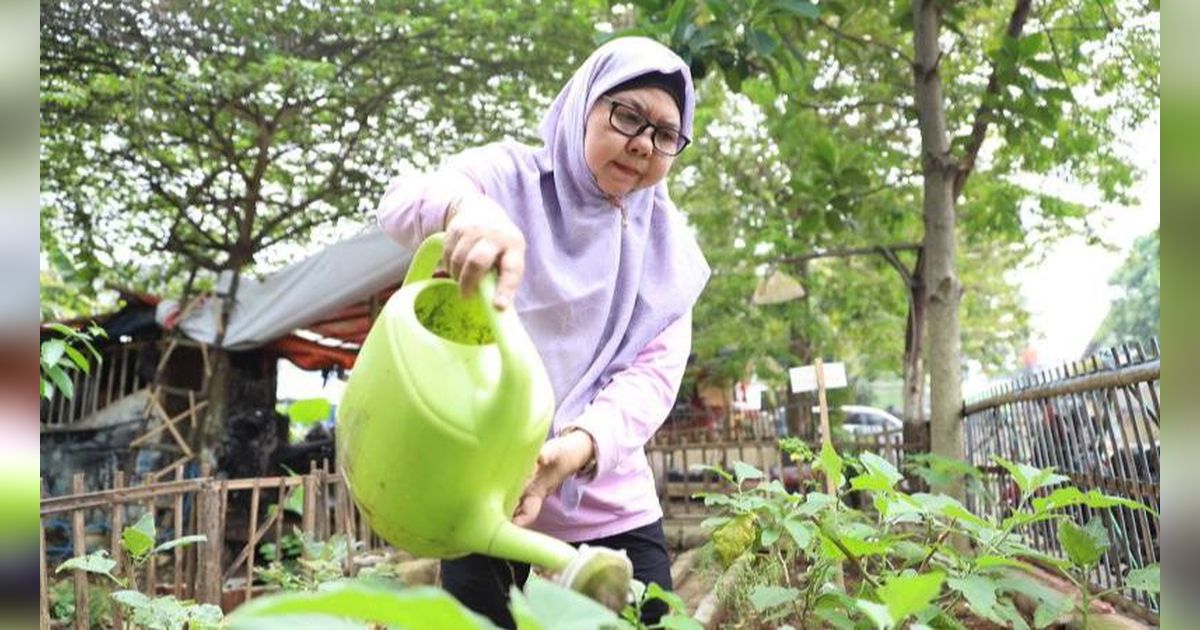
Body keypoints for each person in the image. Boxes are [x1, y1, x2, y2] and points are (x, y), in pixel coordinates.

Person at [376, 36, 710, 628]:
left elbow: (652, 377)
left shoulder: (670, 249)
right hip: (485, 495)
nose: (642, 143)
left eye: (665, 134)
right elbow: (400, 203)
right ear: (583, 106)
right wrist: (466, 213)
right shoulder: (510, 179)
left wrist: (573, 451)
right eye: (627, 115)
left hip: (607, 502)